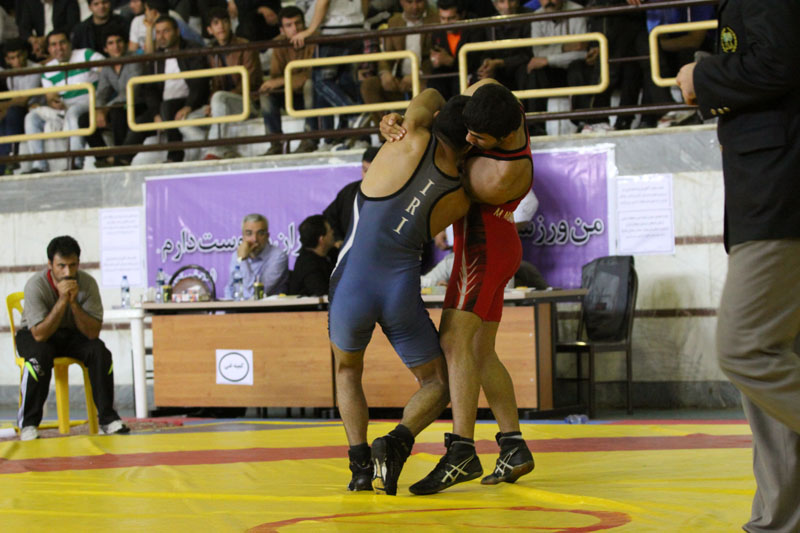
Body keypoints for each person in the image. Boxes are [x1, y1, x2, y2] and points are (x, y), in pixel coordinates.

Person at [675, 2, 800, 532]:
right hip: (768, 189)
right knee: (774, 359)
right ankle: (779, 522)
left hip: (779, 191)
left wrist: (703, 76)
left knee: (745, 349)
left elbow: (780, 61)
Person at [380, 80, 535, 495]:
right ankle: (513, 445)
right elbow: (443, 102)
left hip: (483, 247)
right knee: (480, 351)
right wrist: (403, 119)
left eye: (477, 139)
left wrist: (415, 135)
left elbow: (443, 164)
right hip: (495, 245)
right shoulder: (496, 100)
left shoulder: (502, 176)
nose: (468, 139)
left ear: (502, 137)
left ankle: (462, 448)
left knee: (453, 342)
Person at [328, 88, 472, 495]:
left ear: (438, 119)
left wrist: (397, 120)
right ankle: (396, 441)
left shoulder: (406, 138)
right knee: (438, 383)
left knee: (347, 370)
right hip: (399, 292)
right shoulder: (461, 197)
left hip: (351, 284)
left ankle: (359, 467)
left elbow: (430, 94)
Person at [16, 235, 130, 441]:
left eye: (73, 265)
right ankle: (28, 425)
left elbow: (92, 333)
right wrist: (62, 300)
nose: (68, 272)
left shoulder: (87, 283)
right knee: (38, 357)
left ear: (78, 263)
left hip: (70, 333)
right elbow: (39, 334)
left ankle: (108, 419)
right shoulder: (36, 285)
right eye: (61, 266)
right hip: (35, 334)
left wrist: (74, 303)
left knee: (100, 351)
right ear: (50, 264)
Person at [23, 30, 104, 172]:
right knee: (32, 117)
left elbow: (108, 72)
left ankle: (75, 163)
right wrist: (52, 101)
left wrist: (102, 103)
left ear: (70, 44)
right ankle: (39, 165)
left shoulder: (86, 55)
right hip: (63, 109)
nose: (59, 48)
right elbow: (50, 96)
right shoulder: (48, 70)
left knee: (73, 112)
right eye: (53, 45)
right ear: (49, 49)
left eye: (62, 43)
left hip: (88, 104)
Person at [189, 6, 263, 160]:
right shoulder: (212, 52)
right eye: (216, 23)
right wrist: (212, 103)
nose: (221, 26)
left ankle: (215, 150)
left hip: (249, 103)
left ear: (230, 24)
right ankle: (221, 149)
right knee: (187, 122)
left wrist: (218, 99)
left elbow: (250, 82)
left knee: (219, 98)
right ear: (209, 30)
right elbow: (215, 85)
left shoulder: (245, 45)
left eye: (224, 21)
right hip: (222, 104)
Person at [359, 0, 438, 128]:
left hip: (426, 79)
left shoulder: (436, 18)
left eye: (419, 1)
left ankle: (422, 132)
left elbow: (435, 55)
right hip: (400, 81)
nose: (414, 6)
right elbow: (386, 55)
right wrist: (385, 73)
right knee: (369, 85)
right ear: (401, 2)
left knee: (428, 88)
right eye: (409, 2)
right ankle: (386, 132)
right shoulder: (394, 21)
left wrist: (418, 75)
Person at [142, 15, 209, 163]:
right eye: (158, 32)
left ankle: (174, 156)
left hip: (189, 101)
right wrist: (155, 114)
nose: (161, 36)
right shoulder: (157, 57)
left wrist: (189, 105)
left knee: (167, 108)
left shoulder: (192, 49)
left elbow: (200, 82)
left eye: (166, 31)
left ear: (177, 32)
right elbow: (149, 89)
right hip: (163, 106)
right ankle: (119, 160)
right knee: (136, 123)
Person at [259, 6, 318, 155]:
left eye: (298, 23)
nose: (295, 29)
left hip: (313, 96)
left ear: (305, 24)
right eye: (289, 25)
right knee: (266, 93)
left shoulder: (315, 38)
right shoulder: (279, 43)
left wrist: (282, 81)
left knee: (310, 85)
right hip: (290, 95)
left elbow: (312, 75)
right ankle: (276, 143)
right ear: (282, 30)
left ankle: (310, 139)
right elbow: (275, 77)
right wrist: (283, 82)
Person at [82, 27, 144, 166]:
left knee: (117, 112)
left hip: (139, 105)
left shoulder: (134, 59)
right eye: (111, 43)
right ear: (105, 48)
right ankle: (104, 158)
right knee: (85, 119)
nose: (116, 46)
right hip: (121, 106)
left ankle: (119, 159)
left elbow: (132, 91)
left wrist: (107, 108)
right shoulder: (107, 66)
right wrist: (99, 110)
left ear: (126, 43)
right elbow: (102, 93)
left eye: (119, 41)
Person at [427, 0, 487, 101]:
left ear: (462, 14)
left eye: (451, 18)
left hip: (470, 75)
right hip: (446, 78)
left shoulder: (474, 28)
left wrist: (451, 61)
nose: (446, 23)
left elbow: (475, 60)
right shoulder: (437, 32)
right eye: (443, 18)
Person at [323, 146, 379, 247]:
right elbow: (329, 216)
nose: (367, 175)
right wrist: (338, 239)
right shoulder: (349, 192)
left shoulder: (391, 194)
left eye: (372, 171)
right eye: (365, 170)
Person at [0, 38, 42, 175]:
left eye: (19, 56)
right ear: (7, 60)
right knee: (3, 119)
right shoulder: (10, 76)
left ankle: (12, 155)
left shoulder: (36, 69)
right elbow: (15, 100)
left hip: (35, 109)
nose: (17, 61)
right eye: (12, 58)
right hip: (20, 110)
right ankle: (3, 168)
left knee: (13, 112)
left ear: (25, 54)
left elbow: (23, 100)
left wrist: (3, 105)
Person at [223, 213, 289, 299]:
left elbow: (255, 294)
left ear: (267, 236)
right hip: (238, 306)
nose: (254, 239)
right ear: (243, 236)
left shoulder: (278, 257)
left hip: (266, 307)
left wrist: (243, 260)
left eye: (260, 233)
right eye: (249, 233)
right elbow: (230, 288)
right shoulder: (236, 255)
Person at [475, 0, 532, 90]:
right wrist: (486, 62)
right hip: (499, 69)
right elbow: (487, 52)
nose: (507, 6)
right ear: (495, 5)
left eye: (511, 1)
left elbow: (529, 54)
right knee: (482, 74)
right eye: (502, 2)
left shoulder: (530, 16)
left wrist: (500, 62)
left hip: (522, 68)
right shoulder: (490, 22)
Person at [16, 0, 80, 62]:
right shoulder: (31, 2)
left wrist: (46, 39)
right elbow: (23, 28)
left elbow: (73, 25)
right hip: (40, 45)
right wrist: (34, 41)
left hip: (62, 41)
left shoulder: (68, 1)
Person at [288, 214, 335, 296]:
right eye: (330, 231)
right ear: (321, 239)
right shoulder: (308, 265)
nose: (333, 232)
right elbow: (323, 293)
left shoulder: (330, 254)